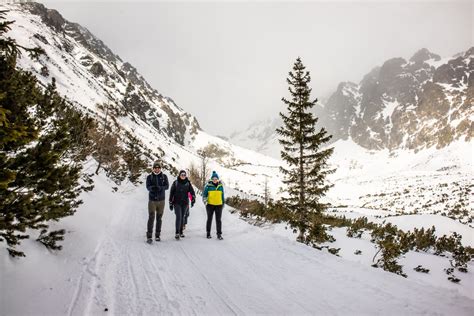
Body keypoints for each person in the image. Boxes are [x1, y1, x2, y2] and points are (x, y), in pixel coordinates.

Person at [145, 161, 169, 243]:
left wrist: (161, 188)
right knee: (151, 217)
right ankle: (149, 236)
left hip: (161, 201)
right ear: (153, 168)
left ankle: (157, 235)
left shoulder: (164, 176)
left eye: (158, 168)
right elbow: (147, 187)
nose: (157, 169)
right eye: (155, 168)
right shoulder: (149, 177)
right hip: (152, 201)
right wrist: (152, 188)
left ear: (160, 169)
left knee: (159, 218)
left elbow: (167, 186)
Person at [169, 170, 196, 240]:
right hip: (177, 202)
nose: (183, 176)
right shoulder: (176, 183)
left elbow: (192, 192)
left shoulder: (188, 183)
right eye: (182, 174)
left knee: (183, 217)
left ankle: (181, 231)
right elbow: (171, 193)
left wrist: (193, 199)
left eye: (184, 175)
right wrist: (170, 202)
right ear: (179, 175)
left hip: (185, 203)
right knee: (179, 216)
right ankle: (177, 233)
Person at [202, 171, 225, 240]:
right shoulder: (208, 186)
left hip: (219, 205)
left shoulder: (221, 186)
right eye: (213, 178)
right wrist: (205, 201)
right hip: (210, 205)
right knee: (209, 219)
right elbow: (204, 195)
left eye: (216, 179)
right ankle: (208, 233)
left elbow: (222, 195)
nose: (215, 180)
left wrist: (223, 203)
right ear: (212, 179)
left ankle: (219, 234)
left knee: (218, 220)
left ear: (218, 179)